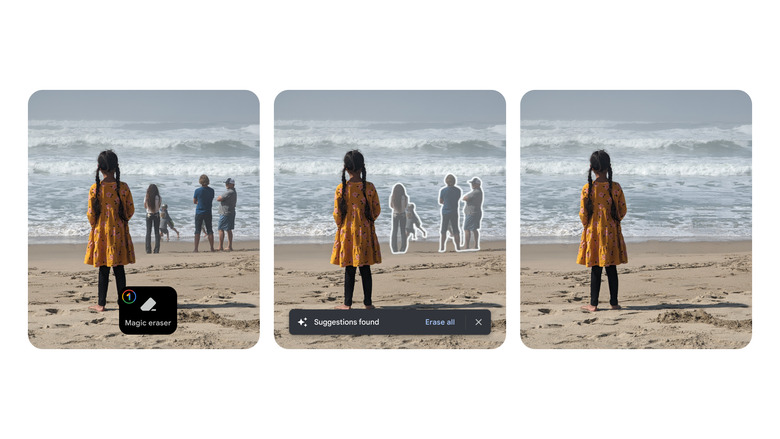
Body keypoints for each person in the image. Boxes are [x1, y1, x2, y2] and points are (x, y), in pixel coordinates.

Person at [84, 150, 135, 312]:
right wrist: (121, 220)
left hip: (101, 234)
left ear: (99, 168)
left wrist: (95, 226)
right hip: (119, 233)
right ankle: (124, 303)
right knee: (119, 269)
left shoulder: (95, 189)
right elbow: (130, 210)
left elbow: (91, 213)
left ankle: (101, 304)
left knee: (103, 269)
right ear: (116, 167)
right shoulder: (123, 187)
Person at [577, 150, 628, 312]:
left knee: (596, 268)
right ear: (609, 167)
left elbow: (583, 214)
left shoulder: (587, 189)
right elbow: (622, 210)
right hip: (611, 232)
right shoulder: (616, 187)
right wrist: (614, 220)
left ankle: (593, 304)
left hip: (594, 233)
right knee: (611, 268)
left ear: (592, 168)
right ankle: (614, 302)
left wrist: (587, 225)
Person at [331, 150, 381, 310]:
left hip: (347, 233)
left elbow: (337, 213)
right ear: (362, 167)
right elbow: (376, 210)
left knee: (349, 268)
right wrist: (368, 220)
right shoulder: (370, 187)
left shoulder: (341, 188)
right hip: (365, 232)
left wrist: (341, 226)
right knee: (365, 268)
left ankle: (347, 304)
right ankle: (368, 303)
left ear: (346, 168)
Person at [438, 173, 462, 252]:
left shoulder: (443, 190)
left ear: (446, 181)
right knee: (455, 229)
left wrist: (445, 202)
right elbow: (457, 199)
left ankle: (442, 247)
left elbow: (441, 201)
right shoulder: (458, 190)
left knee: (443, 229)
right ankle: (458, 246)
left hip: (446, 211)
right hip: (454, 211)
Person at [193, 174, 215, 252]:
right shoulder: (212, 190)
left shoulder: (197, 190)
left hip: (199, 211)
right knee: (210, 230)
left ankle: (196, 248)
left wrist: (199, 202)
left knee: (197, 230)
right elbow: (211, 199)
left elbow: (194, 201)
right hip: (208, 211)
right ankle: (212, 248)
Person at [462, 177, 484, 250]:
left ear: (478, 184)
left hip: (472, 213)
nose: (472, 185)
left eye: (473, 183)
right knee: (474, 229)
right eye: (472, 183)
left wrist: (465, 198)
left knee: (466, 229)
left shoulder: (475, 192)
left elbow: (465, 198)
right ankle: (475, 245)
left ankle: (467, 246)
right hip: (476, 212)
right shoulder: (479, 191)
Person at [217, 178, 237, 251]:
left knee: (220, 229)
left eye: (228, 183)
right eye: (226, 183)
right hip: (230, 212)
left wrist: (220, 197)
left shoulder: (229, 192)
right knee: (228, 229)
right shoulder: (233, 192)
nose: (226, 185)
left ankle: (220, 246)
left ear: (232, 184)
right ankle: (229, 246)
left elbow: (219, 199)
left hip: (225, 212)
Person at [389, 183, 408, 253]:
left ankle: (394, 248)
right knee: (403, 232)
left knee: (394, 231)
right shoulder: (405, 197)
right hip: (403, 215)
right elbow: (405, 206)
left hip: (395, 215)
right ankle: (403, 248)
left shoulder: (393, 197)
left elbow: (391, 206)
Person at [144, 184, 161, 254]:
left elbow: (145, 206)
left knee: (148, 232)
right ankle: (156, 249)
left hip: (149, 215)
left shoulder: (147, 197)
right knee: (157, 232)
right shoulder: (158, 197)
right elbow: (159, 206)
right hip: (156, 215)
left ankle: (148, 249)